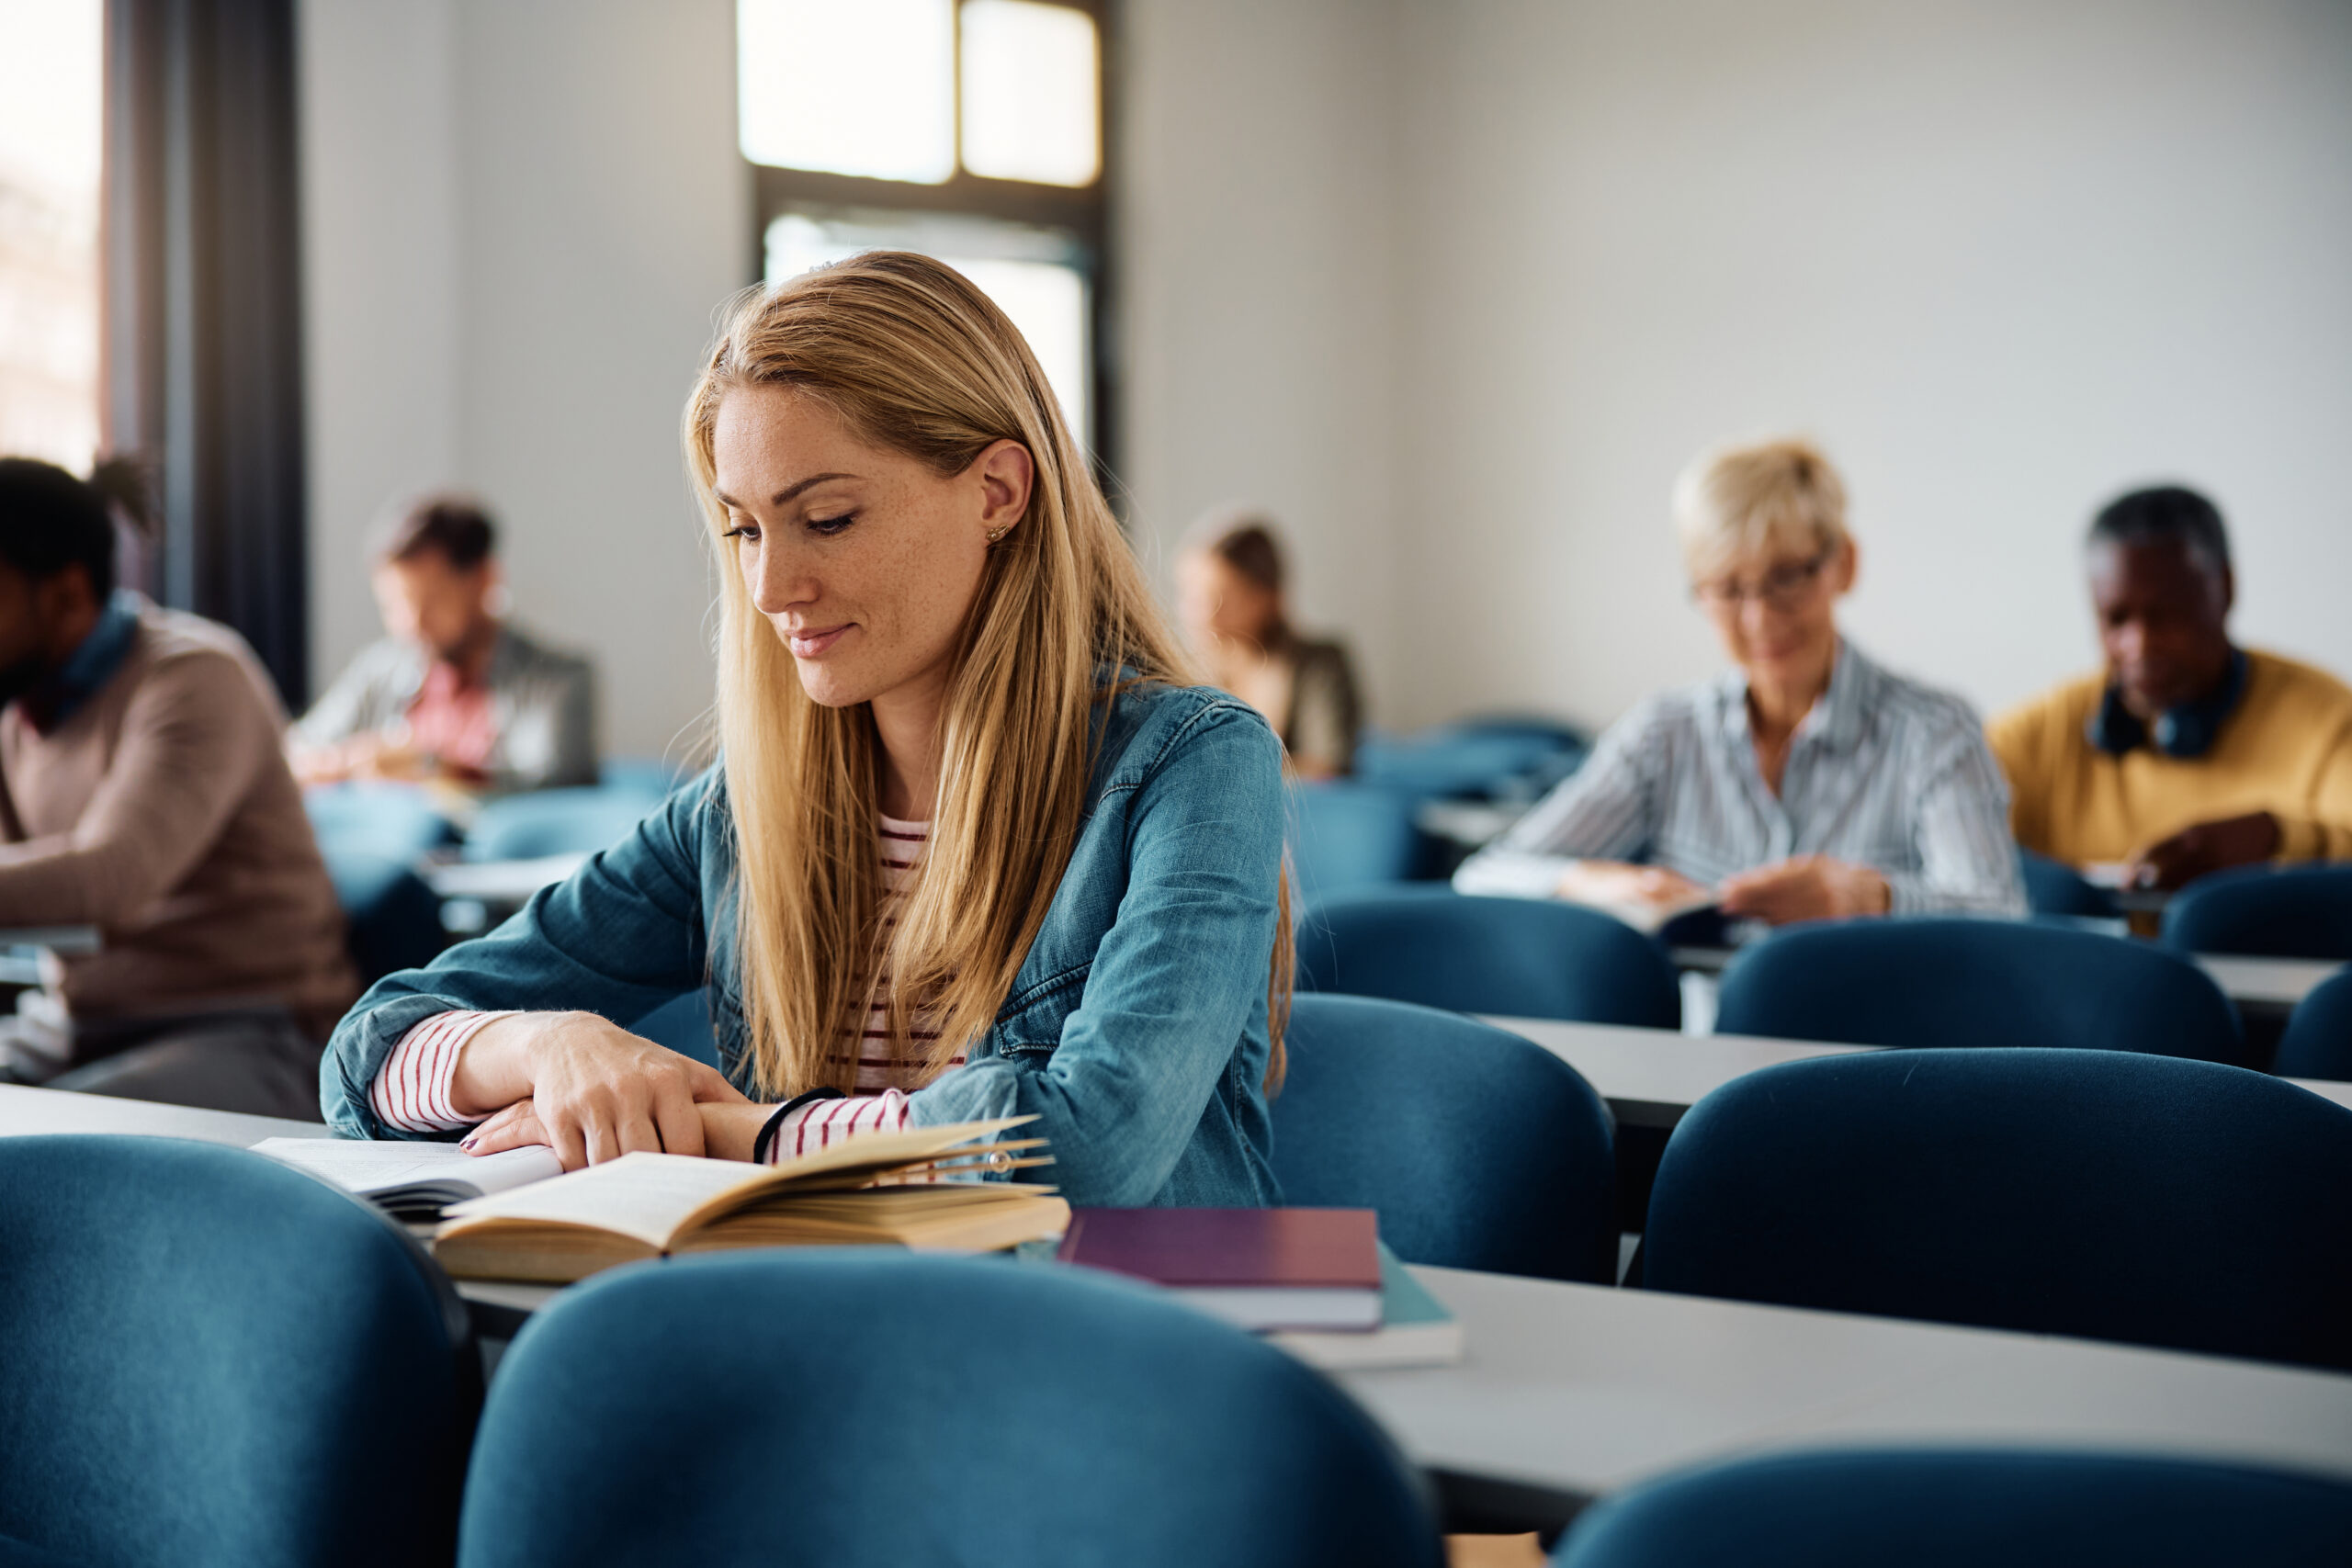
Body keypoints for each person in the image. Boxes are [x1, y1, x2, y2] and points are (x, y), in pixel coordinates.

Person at [321, 253, 1291, 1208]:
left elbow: (1084, 1149)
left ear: (997, 492)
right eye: (744, 529)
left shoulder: (1194, 763)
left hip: (1119, 1342)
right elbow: (365, 1053)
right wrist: (544, 1047)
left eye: (825, 519)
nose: (771, 589)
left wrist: (712, 1131)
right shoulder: (746, 812)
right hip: (828, 1324)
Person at [1454, 437, 2024, 925]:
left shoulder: (1934, 731)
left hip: (1875, 1046)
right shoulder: (1665, 734)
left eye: (1786, 578)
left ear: (1843, 565)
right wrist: (1597, 883)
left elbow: (2000, 915)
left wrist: (1870, 897)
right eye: (1727, 589)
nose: (1759, 618)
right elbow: (1488, 874)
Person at [0, 457, 357, 1116]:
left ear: (67, 594)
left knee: (27, 1149)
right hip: (83, 1023)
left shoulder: (193, 678)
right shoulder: (18, 703)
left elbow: (111, 875)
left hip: (253, 1027)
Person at [1990, 486, 2352, 890]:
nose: (2139, 645)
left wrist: (2279, 840)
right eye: (2116, 619)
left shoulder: (2331, 720)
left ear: (2226, 589)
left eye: (2165, 617)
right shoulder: (2047, 729)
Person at [289, 495, 598, 795]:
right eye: (393, 607)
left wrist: (431, 764)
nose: (412, 624)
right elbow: (295, 750)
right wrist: (349, 760)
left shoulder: (559, 679)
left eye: (432, 602)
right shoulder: (378, 669)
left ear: (484, 579)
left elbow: (556, 784)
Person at [1174, 511, 1362, 778]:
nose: (1204, 614)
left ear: (1267, 596)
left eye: (1222, 598)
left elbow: (1327, 768)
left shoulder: (1319, 664)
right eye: (1192, 597)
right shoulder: (1186, 671)